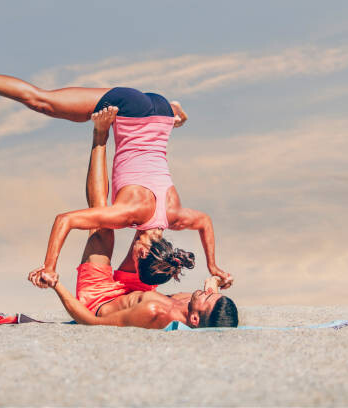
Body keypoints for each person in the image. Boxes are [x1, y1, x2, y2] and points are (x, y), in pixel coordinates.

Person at [0, 65, 233, 288]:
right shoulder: (127, 214)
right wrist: (49, 267)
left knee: (49, 104)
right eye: (134, 262)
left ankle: (176, 110)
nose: (129, 260)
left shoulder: (175, 216)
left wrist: (213, 265)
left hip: (162, 113)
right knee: (41, 101)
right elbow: (64, 220)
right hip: (131, 109)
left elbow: (205, 222)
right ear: (141, 254)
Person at [28, 109, 237, 329]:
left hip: (100, 299)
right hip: (136, 290)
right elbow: (210, 289)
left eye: (207, 298)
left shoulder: (154, 313)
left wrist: (56, 283)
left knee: (101, 225)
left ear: (194, 319)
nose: (206, 293)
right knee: (153, 227)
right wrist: (215, 272)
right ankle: (154, 130)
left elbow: (91, 321)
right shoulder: (197, 303)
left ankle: (100, 135)